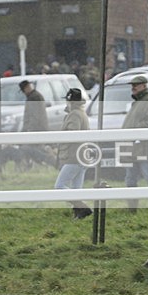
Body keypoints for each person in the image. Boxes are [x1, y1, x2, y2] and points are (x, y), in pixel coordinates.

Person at [122, 75, 148, 212]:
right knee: (130, 179)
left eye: (136, 85)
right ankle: (132, 209)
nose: (133, 87)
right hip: (132, 148)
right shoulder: (137, 102)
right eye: (132, 85)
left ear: (144, 86)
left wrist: (136, 127)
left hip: (143, 148)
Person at [55, 88, 92, 219]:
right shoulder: (81, 113)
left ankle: (82, 208)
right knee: (76, 189)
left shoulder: (74, 114)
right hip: (82, 156)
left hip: (74, 156)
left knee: (59, 187)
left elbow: (72, 133)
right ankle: (78, 214)